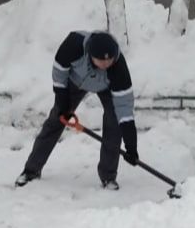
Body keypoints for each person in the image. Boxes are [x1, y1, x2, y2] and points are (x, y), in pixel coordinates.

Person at [16, 30, 138, 190]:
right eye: (101, 60)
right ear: (90, 54)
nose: (105, 64)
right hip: (75, 80)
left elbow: (125, 110)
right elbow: (59, 72)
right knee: (56, 120)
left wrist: (131, 147)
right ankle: (31, 170)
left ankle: (108, 176)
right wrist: (62, 102)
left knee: (114, 124)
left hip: (106, 87)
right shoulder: (74, 44)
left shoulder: (118, 68)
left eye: (109, 61)